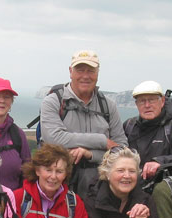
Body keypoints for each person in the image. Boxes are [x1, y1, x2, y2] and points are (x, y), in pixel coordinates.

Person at [40, 50, 128, 199]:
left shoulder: (108, 106)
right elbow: (54, 138)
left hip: (101, 188)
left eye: (91, 71)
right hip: (58, 184)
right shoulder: (53, 101)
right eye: (80, 70)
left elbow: (122, 151)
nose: (85, 76)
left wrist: (90, 154)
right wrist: (102, 141)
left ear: (98, 73)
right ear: (70, 71)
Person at [123, 80, 172, 183]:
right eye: (142, 101)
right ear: (136, 104)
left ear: (162, 101)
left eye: (152, 100)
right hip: (131, 187)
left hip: (164, 190)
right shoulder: (130, 126)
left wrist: (159, 162)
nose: (147, 105)